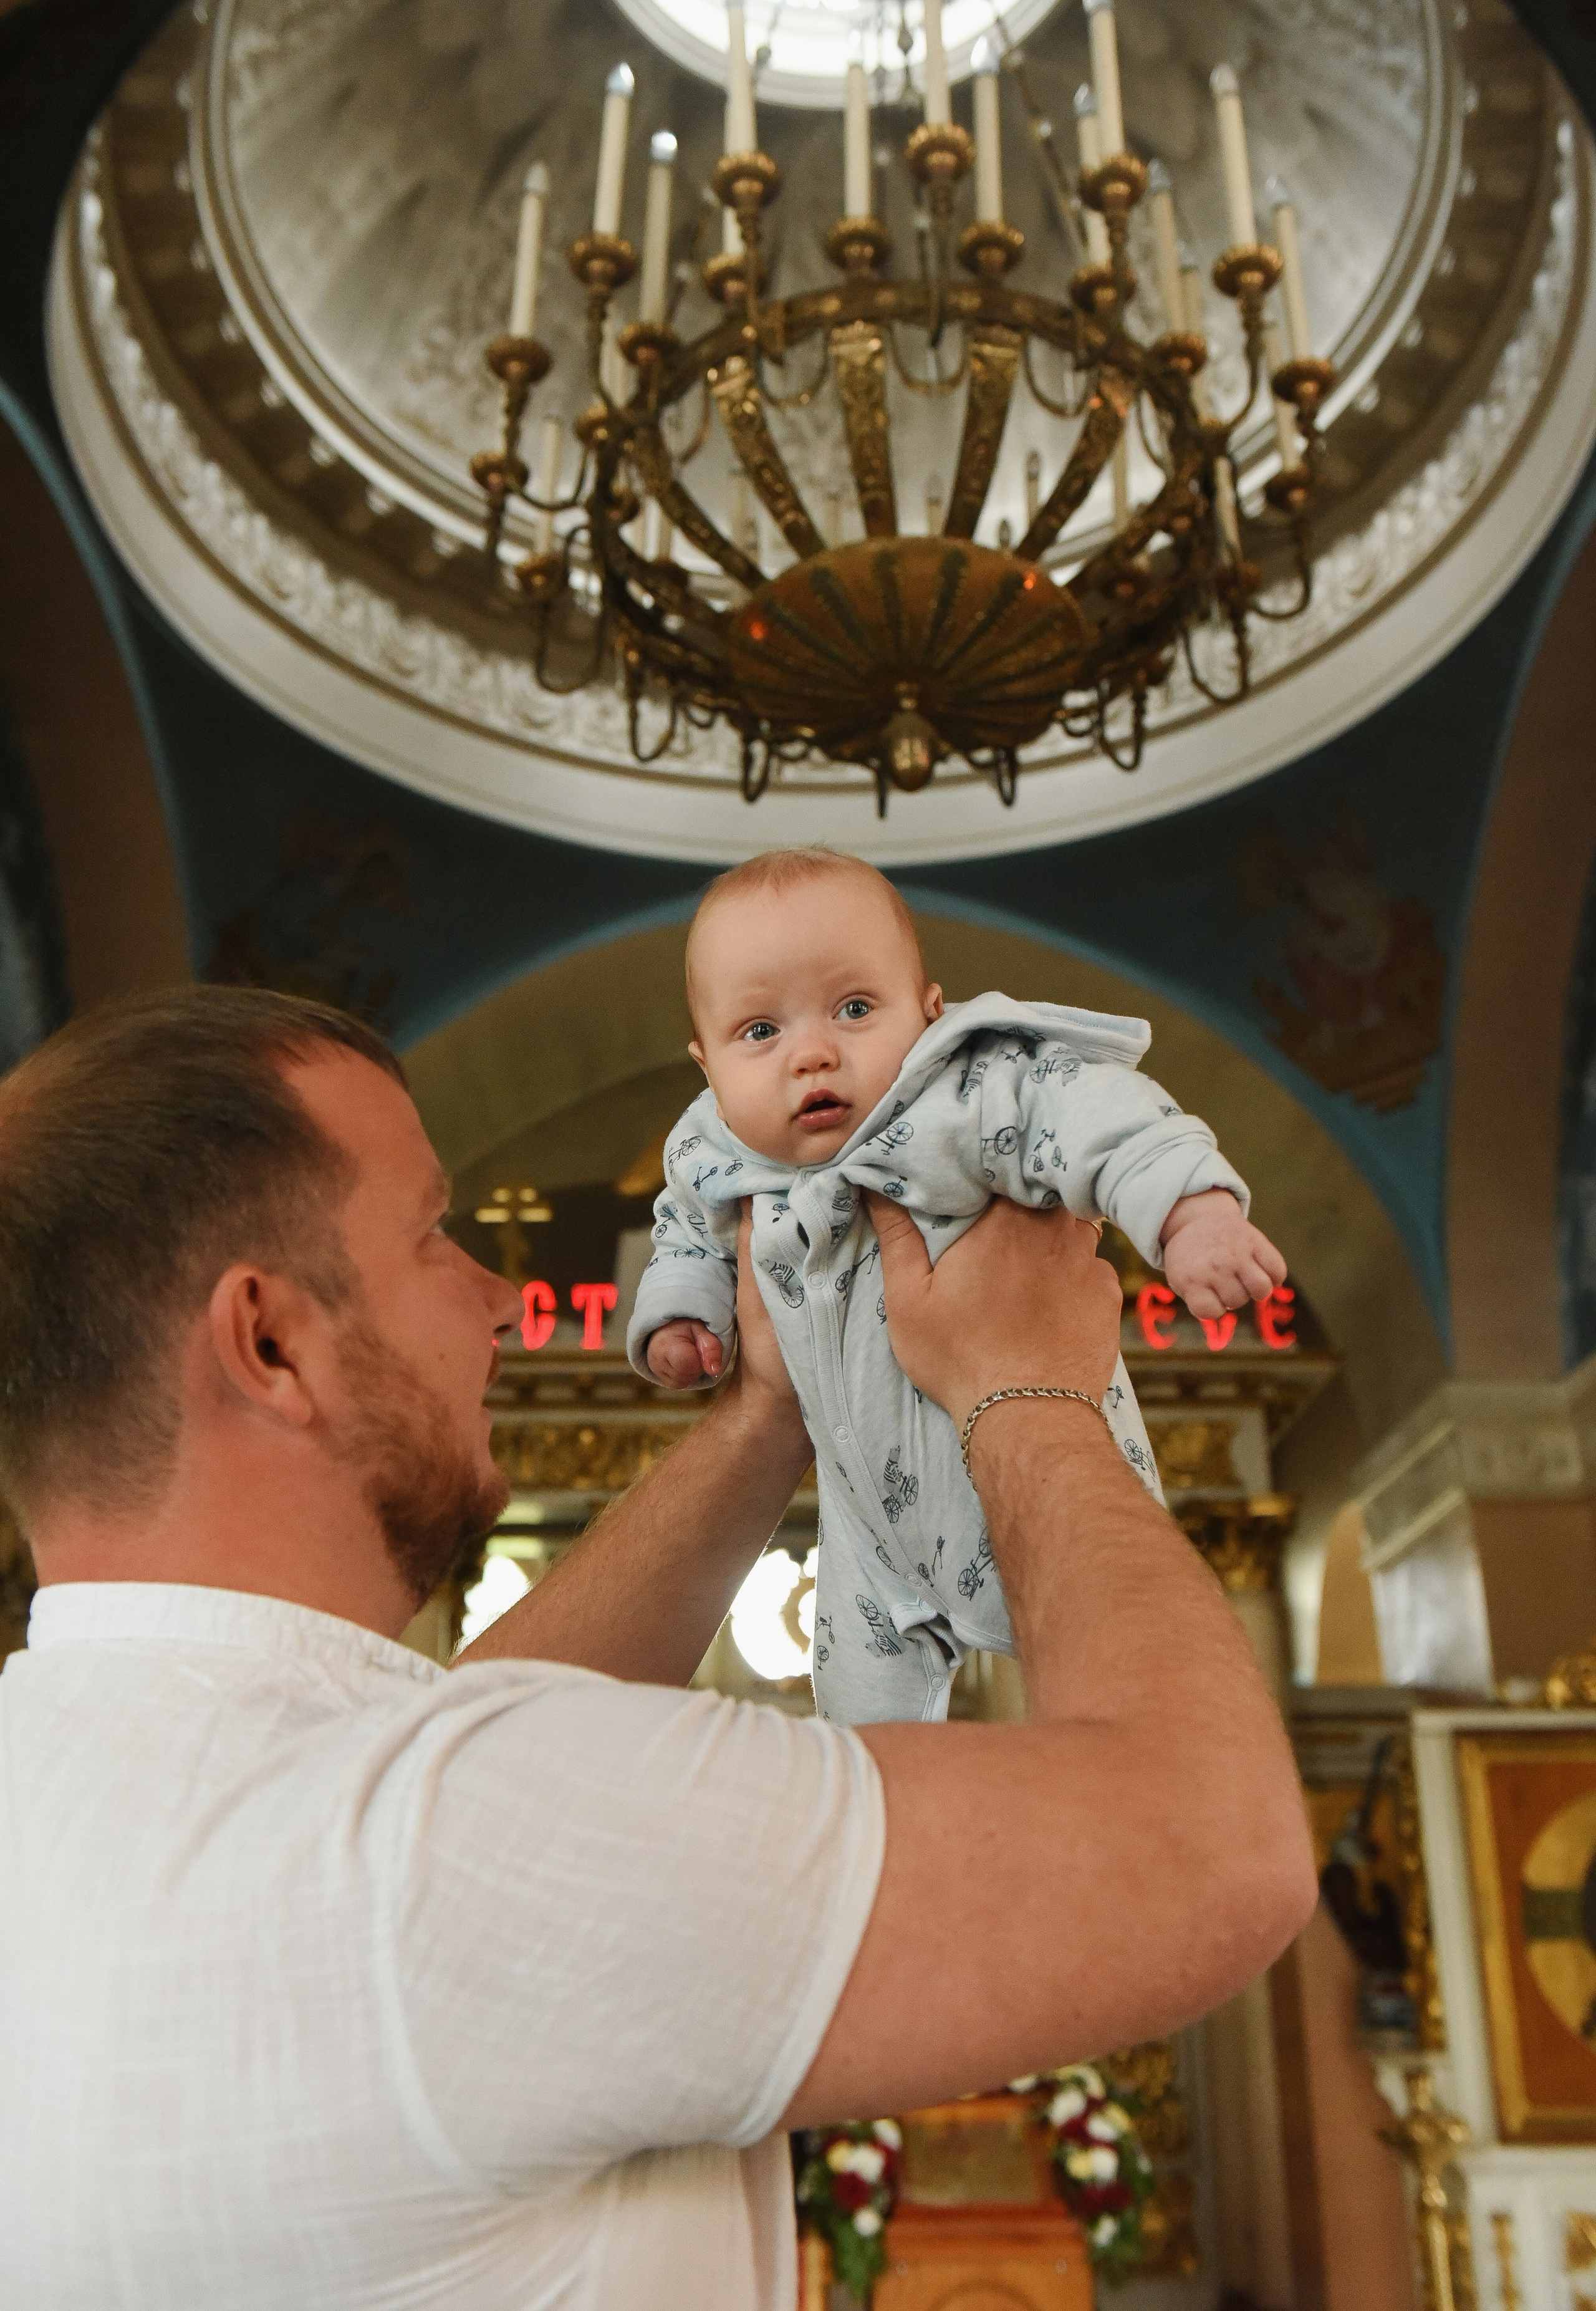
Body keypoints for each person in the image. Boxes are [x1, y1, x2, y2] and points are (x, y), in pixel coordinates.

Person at [0, 985, 1315, 2309]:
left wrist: (768, 1415)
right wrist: (1025, 1380)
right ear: (271, 1340)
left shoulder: (93, 1777)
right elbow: (1214, 1846)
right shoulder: (440, 1845)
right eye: (432, 1236)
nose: (498, 1298)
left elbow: (433, 1776)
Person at [632, 846, 1287, 1723]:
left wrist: (1192, 1215)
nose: (813, 1055)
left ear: (930, 1013)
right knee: (867, 1750)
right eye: (760, 1032)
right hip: (864, 1535)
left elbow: (1095, 1117)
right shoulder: (712, 1149)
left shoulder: (965, 1092)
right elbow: (683, 1230)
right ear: (707, 1064)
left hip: (1028, 1468)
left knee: (1124, 1691)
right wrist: (683, 1310)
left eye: (856, 1008)